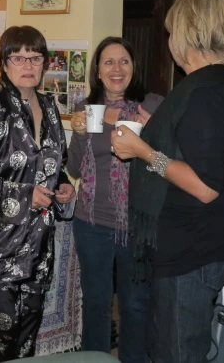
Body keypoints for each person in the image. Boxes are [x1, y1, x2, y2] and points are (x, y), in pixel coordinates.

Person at [111, 0, 224, 363]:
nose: (170, 38)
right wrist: (158, 132)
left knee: (176, 353)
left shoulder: (206, 94)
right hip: (196, 245)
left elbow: (206, 186)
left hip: (191, 252)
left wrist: (143, 150)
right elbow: (202, 151)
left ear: (186, 32)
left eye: (173, 29)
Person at [0, 25, 76, 361]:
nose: (28, 65)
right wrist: (25, 197)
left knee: (25, 345)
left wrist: (62, 183)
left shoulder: (49, 107)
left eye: (35, 57)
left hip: (37, 251)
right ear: (4, 63)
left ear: (45, 63)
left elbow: (50, 162)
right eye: (18, 57)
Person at [68, 37, 163, 362]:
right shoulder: (87, 109)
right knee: (95, 303)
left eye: (124, 61)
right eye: (108, 62)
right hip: (90, 224)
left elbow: (167, 161)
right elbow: (73, 169)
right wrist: (79, 135)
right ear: (97, 70)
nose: (117, 68)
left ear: (133, 67)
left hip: (135, 224)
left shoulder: (151, 105)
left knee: (136, 304)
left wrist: (155, 133)